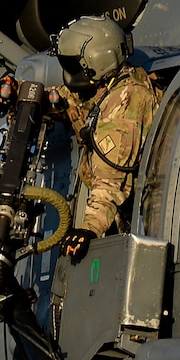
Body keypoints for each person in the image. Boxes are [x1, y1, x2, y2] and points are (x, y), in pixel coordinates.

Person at [55, 15, 159, 259]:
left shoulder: (126, 103)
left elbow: (110, 182)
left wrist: (87, 229)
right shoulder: (106, 85)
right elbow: (76, 99)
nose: (68, 73)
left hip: (144, 219)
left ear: (95, 63)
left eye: (72, 65)